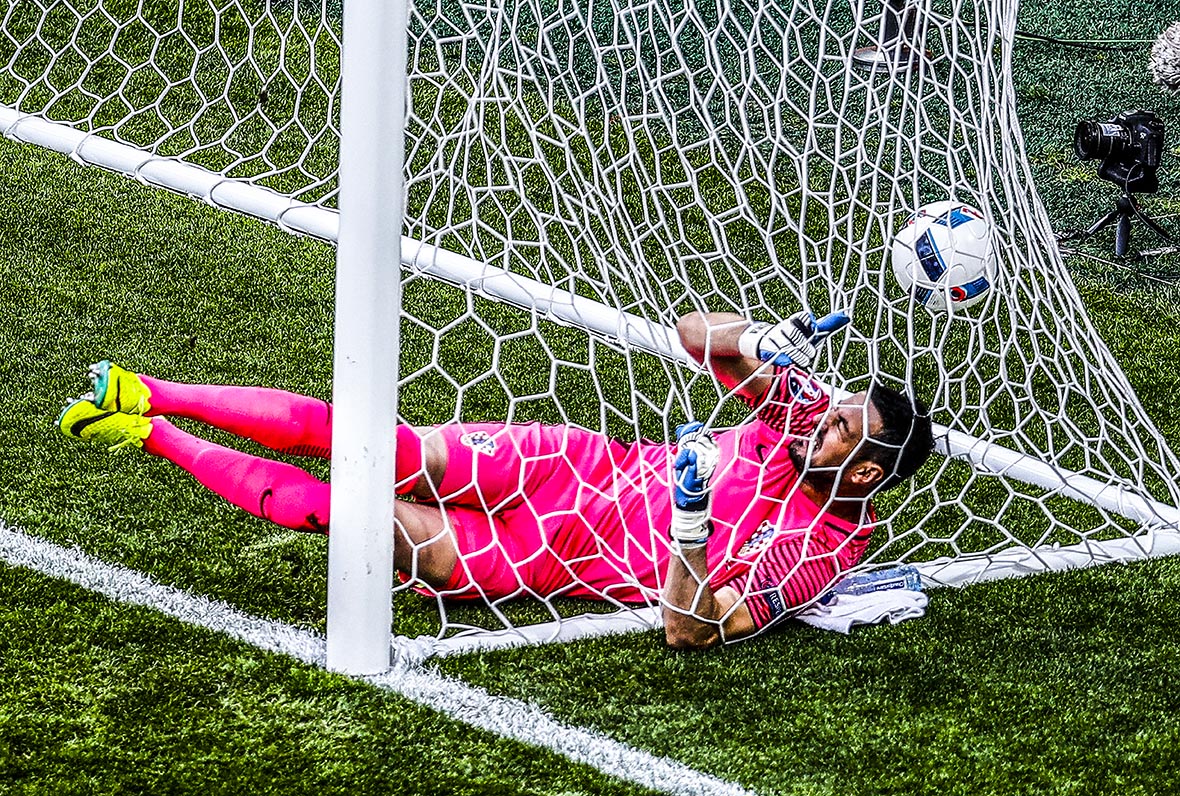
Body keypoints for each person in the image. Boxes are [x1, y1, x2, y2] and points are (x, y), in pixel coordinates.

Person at [57, 309, 935, 649]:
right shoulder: (793, 416)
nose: (821, 416)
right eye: (833, 406)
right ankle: (147, 385)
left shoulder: (823, 550)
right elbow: (687, 334)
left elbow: (694, 632)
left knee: (352, 515)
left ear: (863, 470)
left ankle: (149, 430)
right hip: (569, 465)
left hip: (540, 561)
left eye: (841, 427)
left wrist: (694, 527)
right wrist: (751, 342)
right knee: (379, 442)